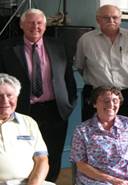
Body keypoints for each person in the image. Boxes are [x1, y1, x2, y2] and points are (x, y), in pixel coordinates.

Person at [0, 9, 77, 182]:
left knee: (53, 153)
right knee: (21, 153)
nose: (35, 26)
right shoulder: (6, 48)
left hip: (55, 111)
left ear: (45, 25)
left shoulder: (58, 46)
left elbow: (68, 79)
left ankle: (48, 181)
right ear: (21, 25)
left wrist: (68, 105)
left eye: (39, 23)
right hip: (22, 111)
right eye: (30, 22)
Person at [70, 86, 128, 185]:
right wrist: (112, 180)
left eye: (115, 101)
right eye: (106, 101)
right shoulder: (83, 130)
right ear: (94, 104)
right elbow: (81, 165)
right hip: (102, 181)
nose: (111, 104)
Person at [75, 4, 128, 122]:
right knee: (94, 134)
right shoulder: (86, 40)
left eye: (115, 17)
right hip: (97, 96)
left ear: (120, 19)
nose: (111, 20)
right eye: (106, 18)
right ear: (98, 20)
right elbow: (80, 66)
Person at [0, 73, 56, 185]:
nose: (5, 101)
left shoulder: (28, 122)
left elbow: (42, 160)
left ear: (17, 97)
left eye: (9, 95)